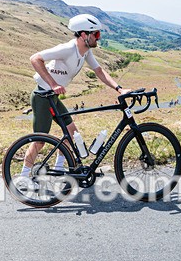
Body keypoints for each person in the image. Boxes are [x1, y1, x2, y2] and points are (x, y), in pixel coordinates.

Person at [21, 14, 130, 175]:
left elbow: (99, 71)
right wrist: (53, 84)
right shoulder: (68, 49)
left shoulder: (85, 51)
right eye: (96, 34)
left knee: (72, 133)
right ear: (84, 35)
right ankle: (23, 176)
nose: (98, 38)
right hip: (42, 96)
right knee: (39, 141)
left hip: (52, 98)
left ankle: (59, 168)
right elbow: (35, 59)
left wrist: (119, 89)